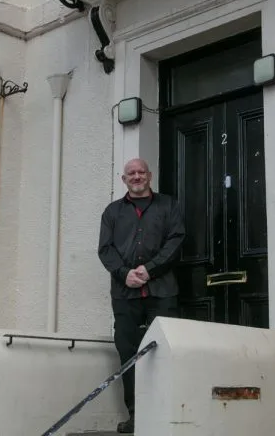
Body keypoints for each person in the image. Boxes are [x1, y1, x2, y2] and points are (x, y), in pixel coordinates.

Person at [97, 158, 186, 433]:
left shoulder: (168, 205)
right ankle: (137, 416)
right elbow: (105, 249)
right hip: (124, 295)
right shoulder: (112, 212)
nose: (136, 177)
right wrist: (124, 273)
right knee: (128, 353)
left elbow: (176, 240)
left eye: (141, 172)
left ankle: (169, 414)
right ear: (123, 179)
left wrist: (149, 269)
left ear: (149, 175)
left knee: (166, 352)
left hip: (162, 291)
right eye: (131, 173)